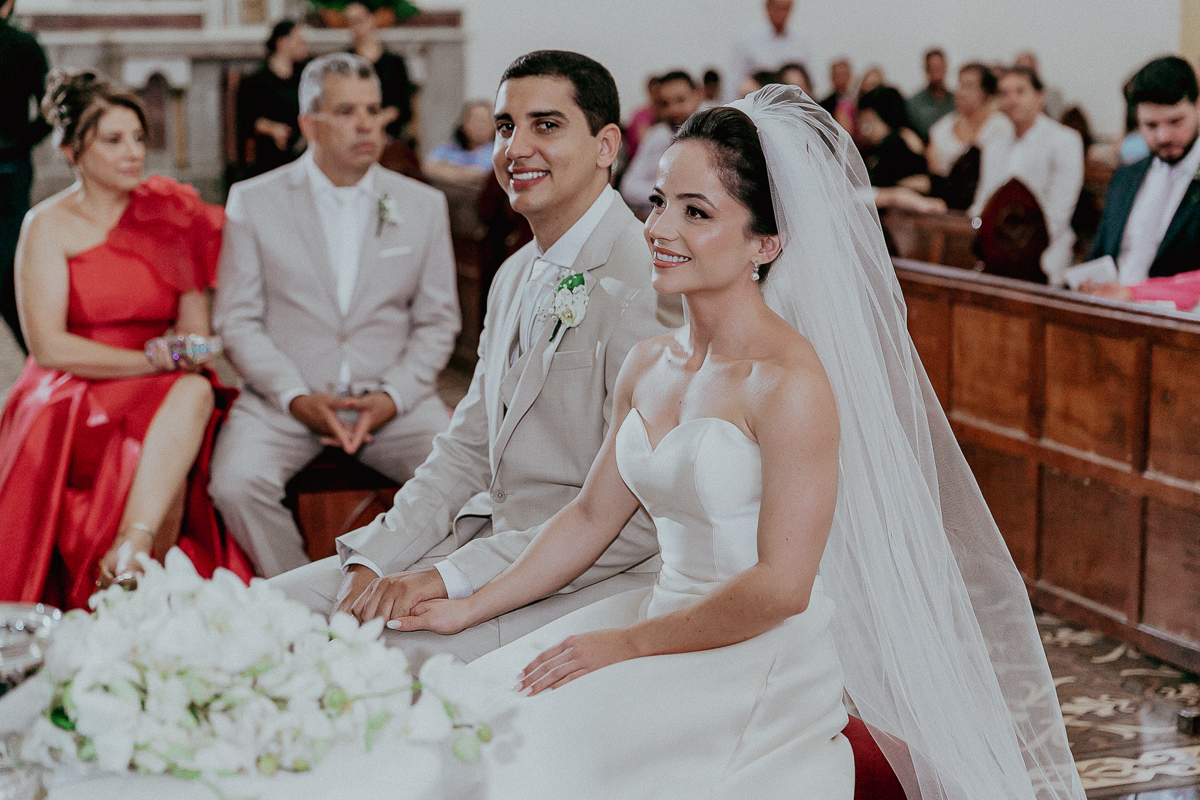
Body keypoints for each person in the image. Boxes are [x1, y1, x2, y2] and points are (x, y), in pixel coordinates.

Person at [389, 87, 1086, 800]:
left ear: (765, 244)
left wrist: (623, 647)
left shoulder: (788, 384)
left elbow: (782, 586)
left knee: (548, 760)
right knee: (470, 717)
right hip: (660, 615)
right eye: (659, 202)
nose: (660, 228)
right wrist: (473, 605)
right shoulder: (649, 363)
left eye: (697, 212)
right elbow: (591, 517)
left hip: (753, 653)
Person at [270, 50, 682, 664]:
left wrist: (447, 579)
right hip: (480, 539)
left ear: (606, 145)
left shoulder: (649, 285)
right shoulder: (514, 274)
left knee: (357, 660)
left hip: (588, 581)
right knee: (264, 615)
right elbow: (466, 448)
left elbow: (641, 519)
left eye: (546, 125)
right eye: (506, 127)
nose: (516, 148)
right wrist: (375, 559)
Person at [0, 72, 253, 610]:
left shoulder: (172, 213)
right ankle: (135, 582)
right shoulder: (45, 225)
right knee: (178, 402)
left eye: (138, 137)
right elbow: (48, 348)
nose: (134, 152)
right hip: (72, 382)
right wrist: (151, 360)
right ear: (71, 150)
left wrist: (186, 352)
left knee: (195, 391)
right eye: (113, 140)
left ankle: (130, 550)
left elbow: (195, 336)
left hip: (159, 379)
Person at [209, 53, 460, 579]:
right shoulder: (253, 201)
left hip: (396, 404)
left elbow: (438, 321)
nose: (367, 124)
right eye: (347, 111)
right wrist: (294, 396)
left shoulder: (421, 204)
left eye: (373, 110)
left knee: (464, 487)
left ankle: (389, 587)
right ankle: (302, 597)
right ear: (309, 124)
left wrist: (392, 396)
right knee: (236, 483)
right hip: (285, 401)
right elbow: (237, 319)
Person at [1086, 56, 1200, 286]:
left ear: (1198, 106)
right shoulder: (1126, 177)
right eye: (1151, 125)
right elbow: (1100, 254)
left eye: (1175, 122)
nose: (1163, 137)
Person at [970, 66, 1083, 285]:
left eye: (1020, 91)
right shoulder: (994, 144)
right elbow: (982, 201)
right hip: (992, 251)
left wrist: (1015, 248)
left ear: (1040, 97)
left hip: (1046, 252)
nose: (1012, 100)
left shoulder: (1065, 141)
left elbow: (1059, 212)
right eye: (1005, 93)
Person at [0, 0, 49, 352]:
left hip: (11, 165)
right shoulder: (24, 45)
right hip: (11, 165)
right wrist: (20, 142)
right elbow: (50, 109)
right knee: (9, 263)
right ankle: (38, 351)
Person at [926, 62, 1012, 209]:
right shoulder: (942, 127)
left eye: (969, 86)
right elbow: (934, 166)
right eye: (959, 85)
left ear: (985, 92)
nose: (961, 93)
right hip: (944, 202)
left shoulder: (1000, 127)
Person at [620, 70, 702, 217]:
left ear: (698, 94)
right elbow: (629, 187)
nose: (673, 110)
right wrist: (670, 195)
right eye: (665, 104)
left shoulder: (715, 131)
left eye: (680, 100)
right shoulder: (659, 135)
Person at [235, 19, 308, 179]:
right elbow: (245, 121)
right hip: (271, 157)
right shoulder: (257, 80)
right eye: (299, 42)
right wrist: (272, 128)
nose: (304, 46)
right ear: (282, 42)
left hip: (302, 151)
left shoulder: (304, 76)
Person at [344, 1, 414, 143]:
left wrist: (381, 118)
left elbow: (404, 105)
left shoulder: (394, 62)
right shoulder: (344, 62)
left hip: (389, 136)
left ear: (372, 19)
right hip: (353, 135)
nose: (355, 27)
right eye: (350, 22)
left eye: (359, 20)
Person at [726, 0, 810, 101]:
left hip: (790, 103)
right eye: (778, 8)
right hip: (757, 101)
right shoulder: (747, 40)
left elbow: (810, 81)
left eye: (786, 9)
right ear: (768, 7)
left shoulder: (800, 41)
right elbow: (735, 81)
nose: (782, 14)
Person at [857, 85, 929, 192]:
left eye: (868, 122)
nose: (865, 131)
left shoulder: (894, 142)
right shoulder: (907, 135)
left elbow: (878, 183)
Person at [423, 99, 494, 184]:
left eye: (484, 121)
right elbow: (427, 166)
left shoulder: (497, 154)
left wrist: (445, 168)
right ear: (464, 124)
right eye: (475, 120)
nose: (480, 126)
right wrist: (462, 174)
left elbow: (481, 175)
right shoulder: (450, 147)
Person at [906, 47, 956, 140]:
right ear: (926, 70)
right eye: (933, 68)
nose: (937, 72)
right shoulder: (913, 104)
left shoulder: (956, 101)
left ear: (945, 68)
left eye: (939, 67)